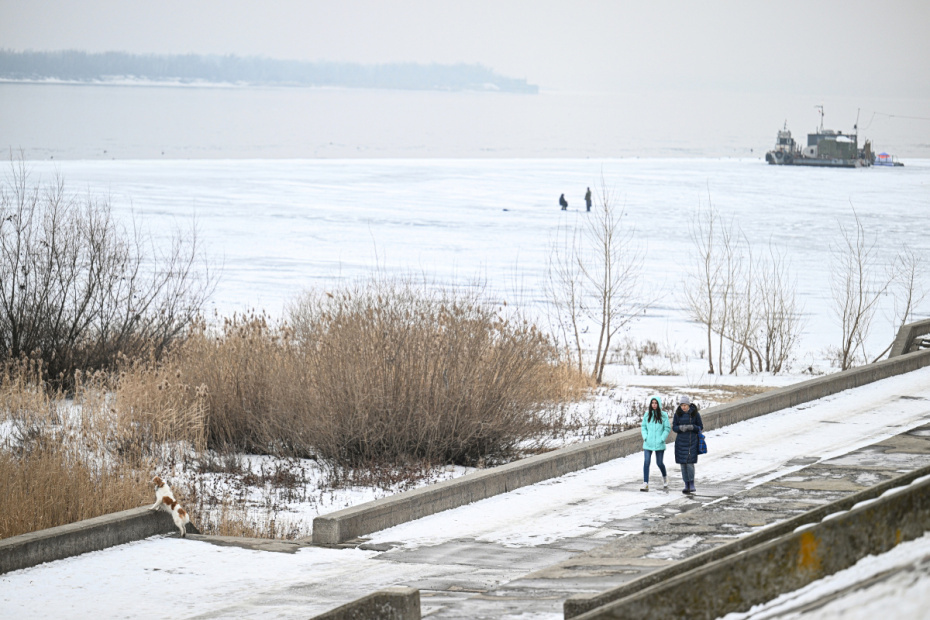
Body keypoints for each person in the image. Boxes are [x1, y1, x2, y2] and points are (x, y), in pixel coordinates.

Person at [672, 395, 703, 495]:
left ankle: (692, 483)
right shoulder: (677, 414)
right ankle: (686, 484)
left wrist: (692, 427)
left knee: (690, 464)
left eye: (685, 405)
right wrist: (680, 428)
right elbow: (674, 427)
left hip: (691, 442)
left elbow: (700, 427)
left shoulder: (695, 414)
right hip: (680, 443)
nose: (683, 407)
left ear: (688, 405)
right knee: (683, 465)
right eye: (682, 405)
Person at [640, 395, 670, 491]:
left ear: (659, 404)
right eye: (652, 403)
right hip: (648, 443)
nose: (654, 405)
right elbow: (643, 427)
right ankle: (645, 483)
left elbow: (667, 428)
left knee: (659, 463)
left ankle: (665, 477)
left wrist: (662, 438)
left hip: (659, 443)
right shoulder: (647, 415)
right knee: (646, 462)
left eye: (656, 403)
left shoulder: (663, 415)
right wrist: (645, 437)